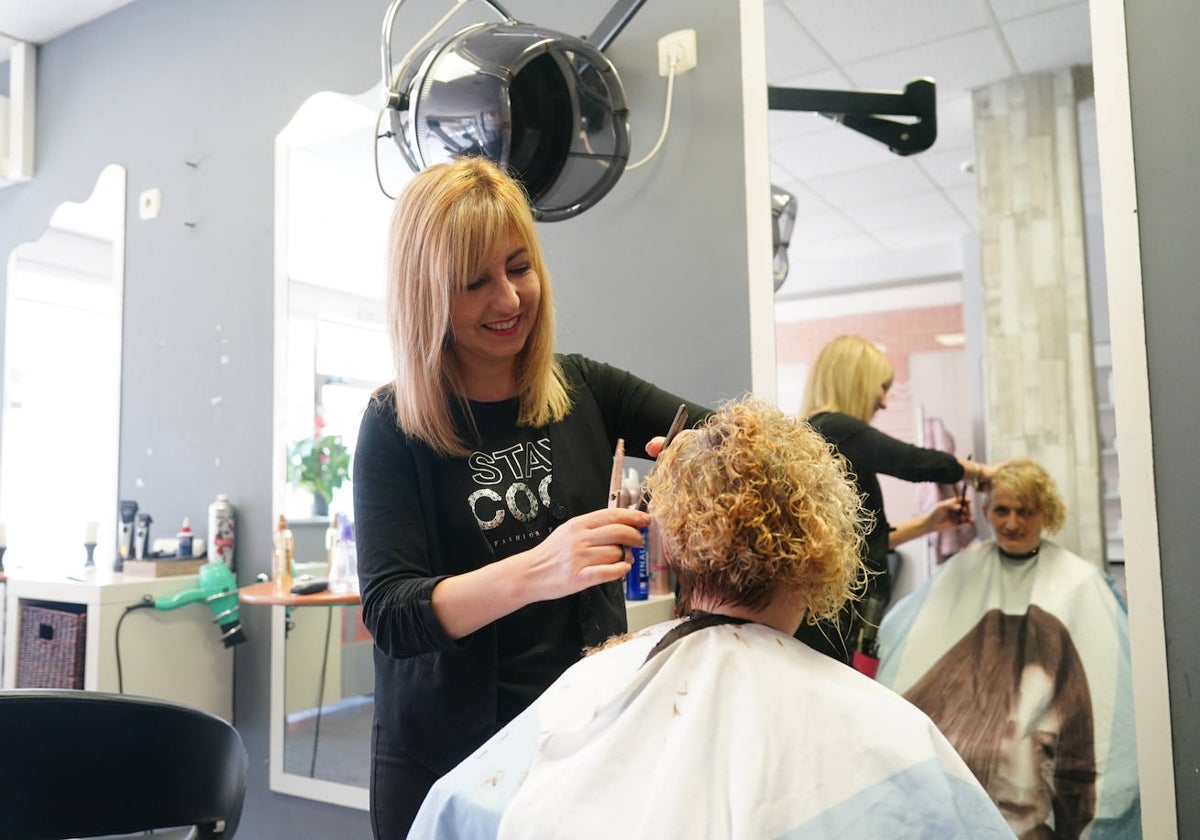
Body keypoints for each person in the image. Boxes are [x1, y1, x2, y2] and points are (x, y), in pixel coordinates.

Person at [408, 399, 1013, 839]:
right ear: (818, 555)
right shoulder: (894, 734)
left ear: (670, 549)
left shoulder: (588, 691)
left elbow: (454, 811)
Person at [352, 155, 711, 838]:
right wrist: (545, 569)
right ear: (423, 295)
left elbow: (719, 431)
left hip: (582, 738)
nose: (510, 299)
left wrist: (695, 462)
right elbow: (393, 613)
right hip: (443, 758)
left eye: (519, 267)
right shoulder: (393, 426)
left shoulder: (584, 389)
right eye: (474, 282)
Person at [878, 459, 1141, 838]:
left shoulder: (1080, 583)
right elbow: (903, 631)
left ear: (1046, 513)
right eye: (1002, 510)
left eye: (1026, 511)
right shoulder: (965, 569)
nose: (1013, 523)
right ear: (986, 511)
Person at [793, 334, 1003, 665]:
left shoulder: (831, 439)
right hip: (838, 627)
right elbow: (912, 462)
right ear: (856, 381)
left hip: (848, 624)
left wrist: (928, 524)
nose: (885, 402)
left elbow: (865, 542)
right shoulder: (835, 427)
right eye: (882, 387)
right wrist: (981, 474)